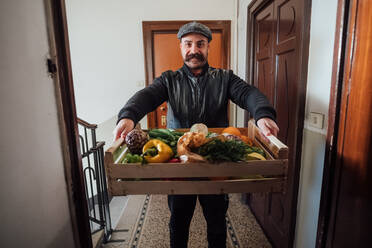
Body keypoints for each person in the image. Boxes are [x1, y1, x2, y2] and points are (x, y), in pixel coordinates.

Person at [113, 21, 279, 248]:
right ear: (181, 47)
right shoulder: (168, 80)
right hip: (180, 164)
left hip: (216, 163)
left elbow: (248, 93)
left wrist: (262, 115)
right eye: (188, 44)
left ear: (208, 47)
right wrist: (128, 116)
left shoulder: (225, 78)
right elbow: (148, 96)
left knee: (217, 222)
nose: (194, 50)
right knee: (178, 222)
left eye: (200, 44)